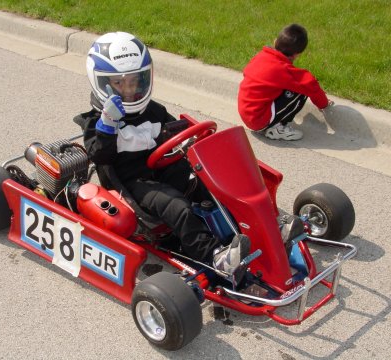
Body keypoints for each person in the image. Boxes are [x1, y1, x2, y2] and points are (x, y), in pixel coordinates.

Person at [74, 31, 251, 280]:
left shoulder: (153, 110)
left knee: (211, 184)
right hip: (133, 183)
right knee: (179, 208)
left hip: (163, 168)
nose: (129, 89)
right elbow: (100, 156)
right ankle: (215, 258)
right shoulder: (97, 123)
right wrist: (108, 124)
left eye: (135, 81)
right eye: (119, 83)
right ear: (102, 83)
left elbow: (174, 132)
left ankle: (253, 231)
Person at [238, 24, 334, 141]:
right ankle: (277, 128)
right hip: (258, 120)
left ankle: (272, 122)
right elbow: (311, 85)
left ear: (275, 41)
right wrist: (324, 104)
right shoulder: (283, 70)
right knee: (302, 90)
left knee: (293, 85)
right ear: (297, 54)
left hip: (246, 112)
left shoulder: (261, 56)